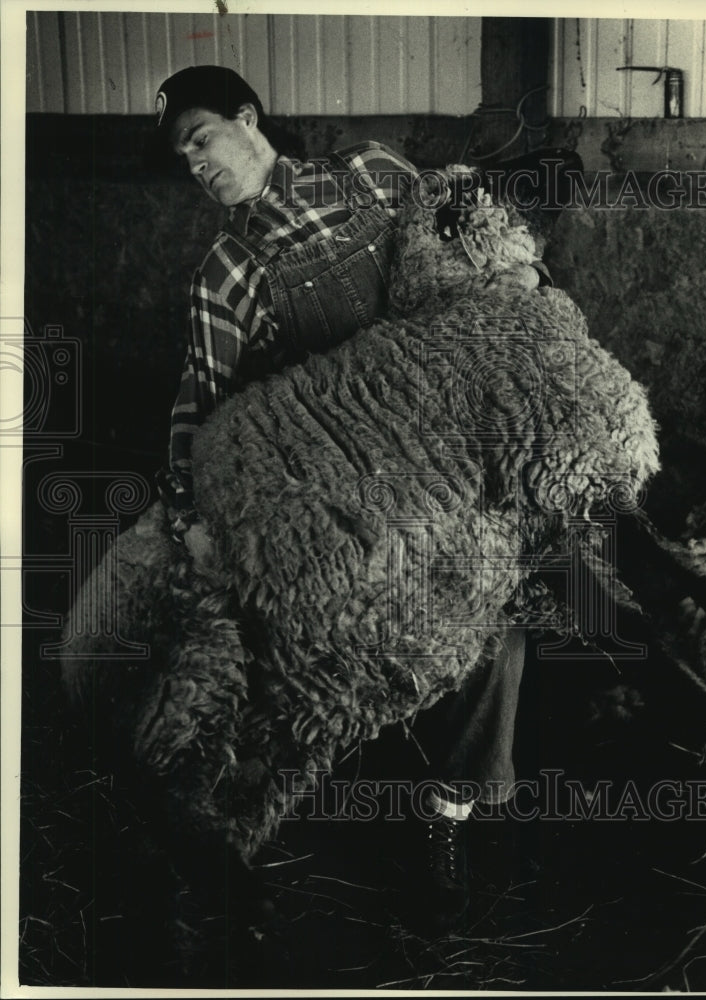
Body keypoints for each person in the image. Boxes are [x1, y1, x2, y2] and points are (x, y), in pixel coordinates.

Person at [151, 65, 534, 933]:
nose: (195, 165)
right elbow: (199, 400)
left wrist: (509, 270)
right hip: (339, 483)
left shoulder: (370, 172)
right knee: (331, 639)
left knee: (497, 634)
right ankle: (262, 822)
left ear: (248, 120)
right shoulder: (225, 273)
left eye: (200, 138)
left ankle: (445, 816)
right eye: (182, 158)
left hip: (438, 444)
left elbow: (461, 227)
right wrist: (186, 511)